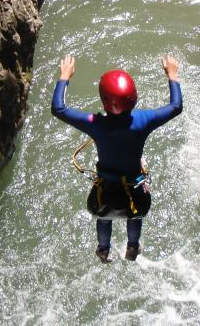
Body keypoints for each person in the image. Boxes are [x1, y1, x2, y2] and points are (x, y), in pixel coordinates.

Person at [51, 55, 182, 263]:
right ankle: (132, 247)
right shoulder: (144, 120)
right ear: (134, 97)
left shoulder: (95, 124)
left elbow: (59, 108)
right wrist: (172, 75)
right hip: (135, 191)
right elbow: (176, 106)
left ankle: (103, 249)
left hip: (106, 194)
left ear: (104, 101)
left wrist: (64, 76)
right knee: (135, 213)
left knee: (104, 216)